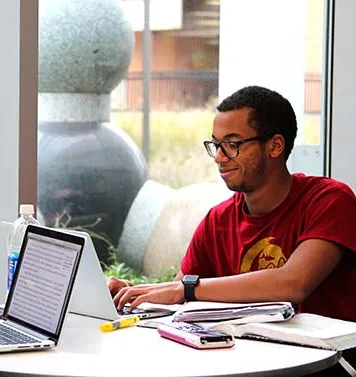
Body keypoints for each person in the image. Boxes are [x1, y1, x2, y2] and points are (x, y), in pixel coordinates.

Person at [108, 86, 356, 322]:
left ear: (275, 146)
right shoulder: (218, 219)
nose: (218, 157)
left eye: (232, 144)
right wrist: (134, 295)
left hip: (330, 362)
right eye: (216, 145)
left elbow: (294, 283)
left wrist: (187, 289)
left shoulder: (329, 200)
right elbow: (180, 293)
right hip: (253, 357)